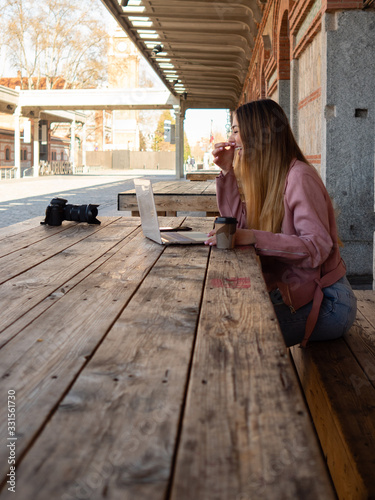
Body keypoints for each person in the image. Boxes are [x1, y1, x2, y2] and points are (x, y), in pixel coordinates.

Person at [205, 99, 357, 347]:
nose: (232, 139)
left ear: (258, 132)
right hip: (293, 296)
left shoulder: (299, 177)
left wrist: (255, 237)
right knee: (217, 319)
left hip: (329, 303)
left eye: (235, 130)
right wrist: (226, 172)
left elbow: (317, 247)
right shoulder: (266, 179)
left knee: (233, 337)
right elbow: (238, 225)